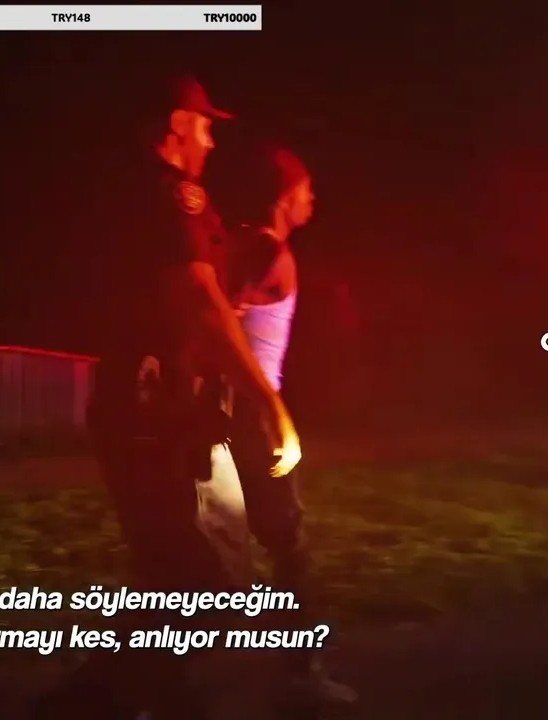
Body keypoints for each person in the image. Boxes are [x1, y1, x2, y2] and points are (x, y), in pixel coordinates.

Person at [34, 77, 302, 720]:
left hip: (154, 413)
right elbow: (200, 301)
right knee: (204, 585)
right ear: (178, 124)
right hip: (155, 417)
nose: (211, 140)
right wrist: (267, 401)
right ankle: (98, 704)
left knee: (175, 581)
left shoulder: (140, 195)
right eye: (205, 126)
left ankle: (112, 701)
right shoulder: (171, 197)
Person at [224, 145, 357, 708]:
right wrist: (267, 410)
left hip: (238, 412)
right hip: (253, 416)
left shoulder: (247, 244)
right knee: (289, 548)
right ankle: (301, 674)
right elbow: (222, 320)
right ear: (285, 196)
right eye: (306, 189)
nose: (313, 199)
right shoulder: (267, 251)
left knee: (226, 547)